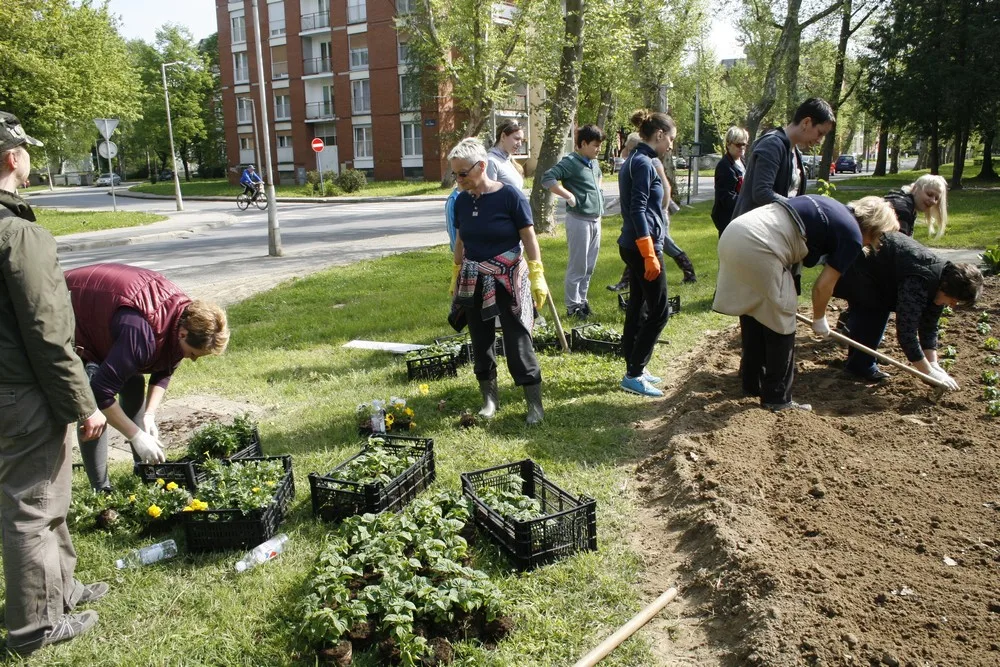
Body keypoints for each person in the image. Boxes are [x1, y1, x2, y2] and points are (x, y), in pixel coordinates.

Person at [0, 111, 109, 655]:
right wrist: (83, 403)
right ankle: (34, 627)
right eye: (25, 153)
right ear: (12, 157)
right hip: (23, 394)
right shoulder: (19, 234)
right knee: (34, 505)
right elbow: (47, 332)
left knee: (48, 495)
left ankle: (62, 589)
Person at [713, 195, 899, 411]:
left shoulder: (834, 207)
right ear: (874, 228)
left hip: (736, 233)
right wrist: (819, 318)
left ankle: (753, 382)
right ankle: (778, 399)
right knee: (783, 314)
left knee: (755, 308)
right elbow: (823, 286)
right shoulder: (852, 236)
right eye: (879, 238)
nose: (875, 244)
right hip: (760, 244)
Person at [64, 264, 230, 491]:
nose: (192, 360)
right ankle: (101, 489)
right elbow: (100, 392)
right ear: (183, 334)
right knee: (93, 410)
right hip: (71, 309)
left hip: (110, 318)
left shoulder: (184, 316)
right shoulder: (141, 334)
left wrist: (149, 416)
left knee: (132, 383)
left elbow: (164, 370)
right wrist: (136, 436)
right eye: (192, 354)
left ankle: (143, 469)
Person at [447, 138, 548, 424]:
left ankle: (534, 404)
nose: (459, 179)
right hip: (473, 279)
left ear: (482, 167)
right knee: (480, 339)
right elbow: (460, 239)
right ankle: (490, 400)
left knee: (517, 338)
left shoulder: (510, 196)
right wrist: (456, 272)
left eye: (463, 173)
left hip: (507, 277)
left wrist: (537, 273)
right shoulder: (461, 202)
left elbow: (528, 237)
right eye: (455, 174)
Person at [833, 232, 981, 386]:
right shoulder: (919, 281)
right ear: (947, 287)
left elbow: (929, 326)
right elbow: (906, 333)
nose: (952, 305)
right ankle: (860, 366)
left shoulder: (942, 280)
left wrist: (933, 364)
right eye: (954, 300)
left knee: (875, 310)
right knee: (874, 311)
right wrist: (927, 372)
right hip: (863, 266)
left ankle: (860, 361)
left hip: (885, 272)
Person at [617, 110, 677, 398]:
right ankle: (635, 373)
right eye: (671, 139)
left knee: (638, 304)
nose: (672, 146)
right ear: (660, 134)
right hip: (642, 247)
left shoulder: (636, 159)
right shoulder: (641, 163)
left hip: (634, 244)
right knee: (660, 310)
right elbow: (638, 209)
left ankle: (634, 364)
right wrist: (649, 251)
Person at [541, 124, 606, 319]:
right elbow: (547, 178)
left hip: (595, 219)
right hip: (579, 220)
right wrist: (568, 195)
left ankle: (582, 302)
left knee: (589, 266)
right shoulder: (570, 162)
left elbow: (599, 178)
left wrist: (599, 195)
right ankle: (572, 306)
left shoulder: (593, 163)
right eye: (595, 145)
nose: (599, 149)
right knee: (578, 265)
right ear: (583, 144)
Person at [732, 97, 835, 220]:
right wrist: (800, 208)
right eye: (820, 133)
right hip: (752, 231)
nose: (819, 141)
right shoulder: (772, 144)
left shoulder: (794, 151)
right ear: (806, 122)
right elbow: (761, 193)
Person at [883, 174, 948, 238]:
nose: (933, 201)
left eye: (936, 198)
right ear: (915, 189)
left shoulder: (903, 203)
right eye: (929, 194)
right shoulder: (903, 209)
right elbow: (899, 244)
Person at [711, 126, 749, 236]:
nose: (742, 147)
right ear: (728, 144)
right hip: (728, 219)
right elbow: (726, 197)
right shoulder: (724, 166)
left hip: (741, 215)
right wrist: (748, 201)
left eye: (744, 144)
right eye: (738, 144)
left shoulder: (742, 162)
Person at [484, 120, 525, 190]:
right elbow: (489, 195)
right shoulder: (491, 161)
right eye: (517, 139)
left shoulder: (508, 160)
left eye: (521, 140)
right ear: (503, 136)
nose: (520, 144)